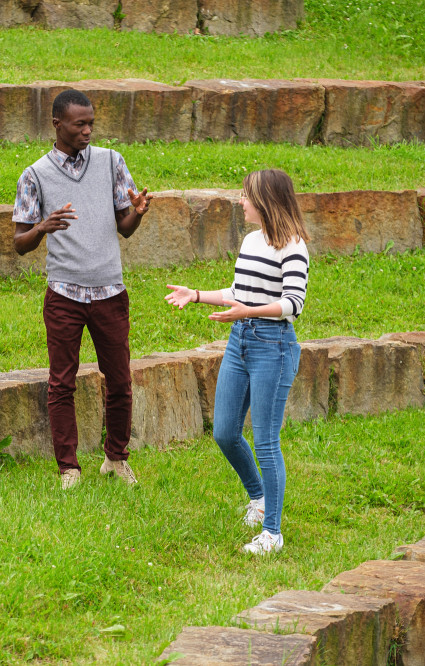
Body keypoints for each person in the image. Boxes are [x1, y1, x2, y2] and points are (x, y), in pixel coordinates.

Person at [13, 89, 153, 490]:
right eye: (80, 124)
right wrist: (41, 227)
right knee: (62, 382)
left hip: (110, 291)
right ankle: (69, 469)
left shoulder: (111, 162)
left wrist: (137, 214)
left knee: (120, 379)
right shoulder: (35, 175)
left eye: (91, 122)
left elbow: (123, 227)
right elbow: (19, 242)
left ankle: (116, 459)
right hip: (64, 295)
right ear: (57, 124)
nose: (88, 130)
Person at [165, 169, 309, 554]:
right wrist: (195, 295)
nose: (240, 202)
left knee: (265, 440)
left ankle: (272, 534)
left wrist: (247, 311)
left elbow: (292, 304)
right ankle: (258, 498)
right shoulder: (250, 240)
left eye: (246, 196)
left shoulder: (293, 246)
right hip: (240, 341)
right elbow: (237, 292)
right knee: (225, 432)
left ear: (265, 201)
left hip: (273, 347)